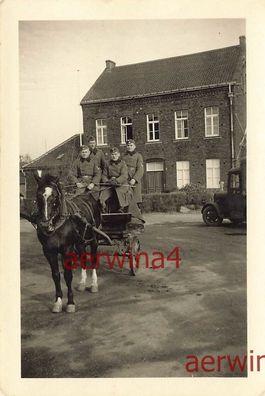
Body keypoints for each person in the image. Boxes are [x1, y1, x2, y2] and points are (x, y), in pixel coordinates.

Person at [99, 147, 130, 213]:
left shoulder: (123, 163)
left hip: (120, 183)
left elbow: (124, 175)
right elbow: (104, 175)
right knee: (103, 192)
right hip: (109, 183)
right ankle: (103, 207)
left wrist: (117, 181)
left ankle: (122, 208)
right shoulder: (107, 163)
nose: (114, 156)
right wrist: (108, 181)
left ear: (119, 155)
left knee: (120, 192)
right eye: (112, 154)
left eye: (115, 154)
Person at [123, 139, 144, 210]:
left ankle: (138, 215)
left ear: (134, 146)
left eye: (131, 145)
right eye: (128, 145)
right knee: (126, 197)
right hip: (126, 178)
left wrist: (134, 179)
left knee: (136, 198)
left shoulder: (138, 156)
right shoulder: (123, 156)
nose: (129, 147)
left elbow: (140, 169)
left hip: (135, 180)